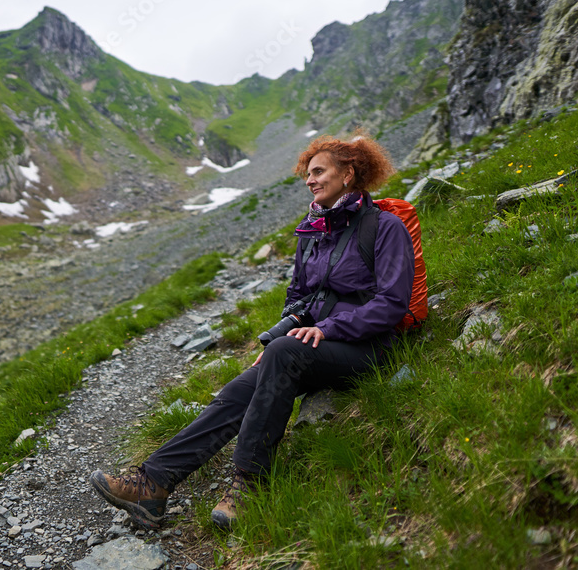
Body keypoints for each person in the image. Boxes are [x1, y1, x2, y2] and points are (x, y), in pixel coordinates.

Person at [89, 133, 415, 530]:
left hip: (370, 347)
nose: (310, 180)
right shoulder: (312, 233)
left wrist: (326, 330)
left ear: (348, 173)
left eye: (318, 172)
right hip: (313, 346)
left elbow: (391, 303)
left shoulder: (384, 227)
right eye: (306, 175)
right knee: (237, 391)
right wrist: (286, 331)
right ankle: (153, 484)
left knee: (282, 356)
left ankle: (250, 485)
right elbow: (298, 297)